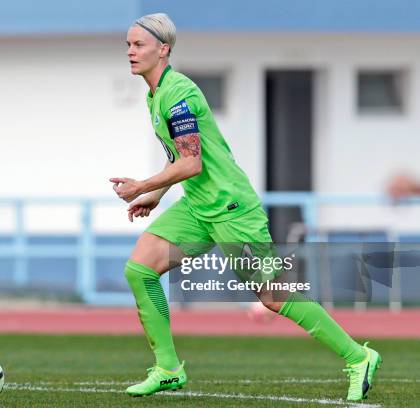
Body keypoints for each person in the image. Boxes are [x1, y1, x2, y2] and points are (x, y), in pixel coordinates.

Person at [110, 13, 381, 401]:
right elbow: (181, 158)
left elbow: (193, 163)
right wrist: (156, 194)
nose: (130, 51)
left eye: (138, 44)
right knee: (140, 268)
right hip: (199, 207)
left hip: (232, 209)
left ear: (163, 49)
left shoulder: (178, 94)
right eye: (128, 45)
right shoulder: (155, 93)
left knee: (272, 297)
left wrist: (143, 184)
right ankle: (168, 368)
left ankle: (359, 356)